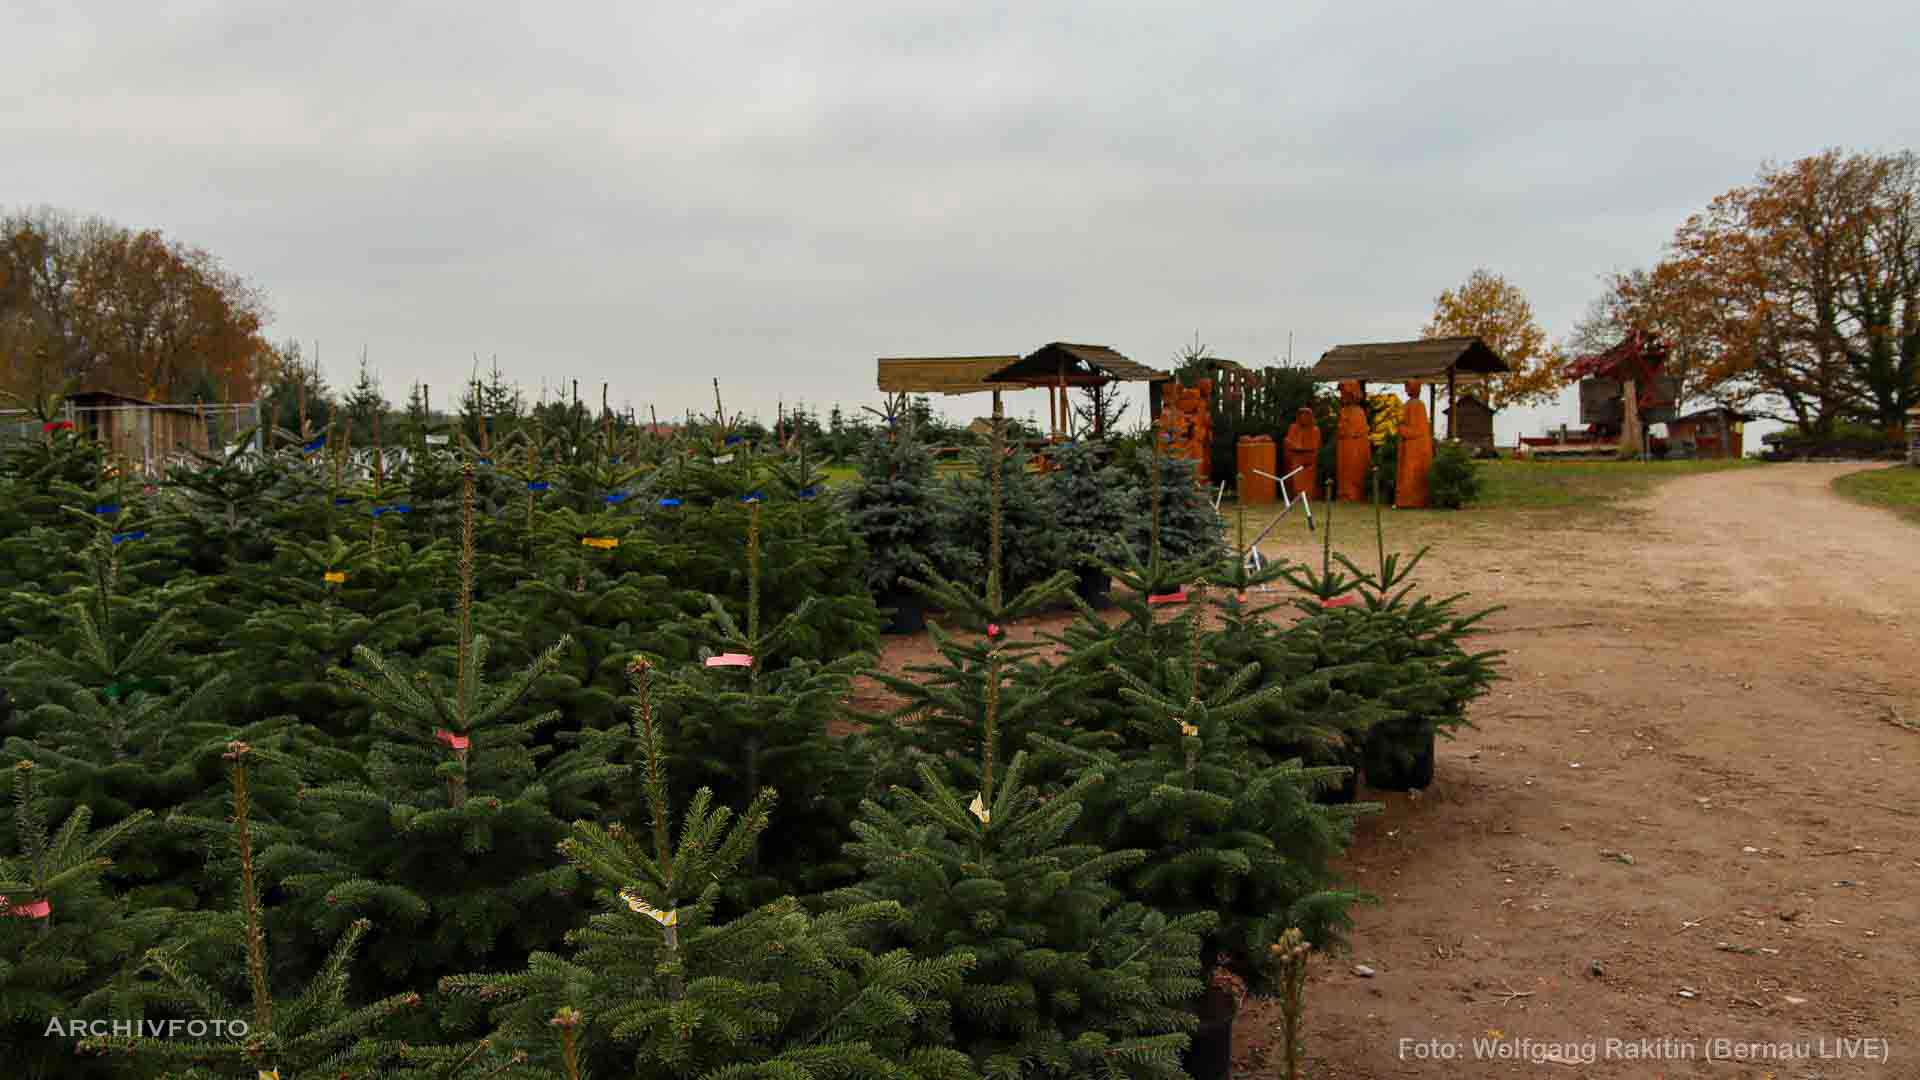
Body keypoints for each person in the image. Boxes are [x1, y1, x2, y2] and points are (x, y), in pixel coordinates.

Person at [1395, 382, 1432, 509]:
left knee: (1411, 474)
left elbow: (1418, 431)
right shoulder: (1409, 405)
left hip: (1416, 448)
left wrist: (1402, 429)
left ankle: (1412, 500)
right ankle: (1406, 500)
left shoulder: (1417, 405)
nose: (1406, 390)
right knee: (1407, 475)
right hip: (1409, 447)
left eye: (1408, 387)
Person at [1335, 380, 1370, 502]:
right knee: (1343, 471)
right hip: (1343, 446)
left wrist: (1348, 430)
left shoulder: (1358, 412)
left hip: (1354, 447)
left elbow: (1360, 431)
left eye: (1344, 393)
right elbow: (1341, 429)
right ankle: (1343, 493)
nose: (1342, 396)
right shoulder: (1343, 411)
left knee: (1353, 471)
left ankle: (1353, 494)